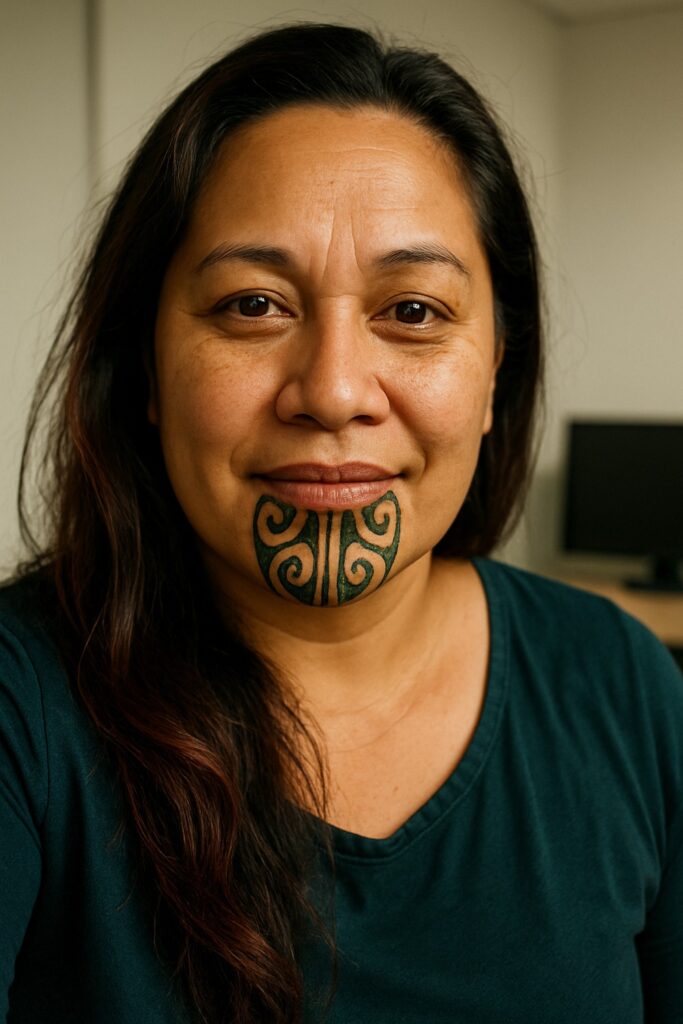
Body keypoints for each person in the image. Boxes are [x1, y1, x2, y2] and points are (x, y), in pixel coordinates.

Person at [0, 20, 680, 1024]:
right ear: (144, 365)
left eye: (411, 312)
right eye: (251, 305)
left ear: (498, 367)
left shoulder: (624, 689)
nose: (329, 390)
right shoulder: (24, 707)